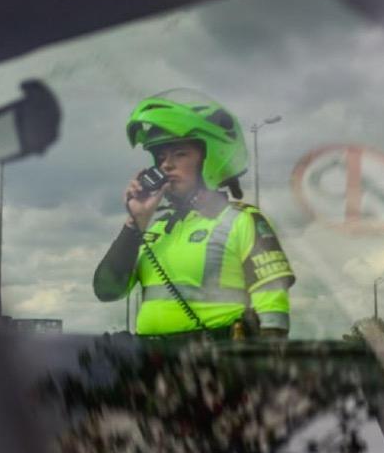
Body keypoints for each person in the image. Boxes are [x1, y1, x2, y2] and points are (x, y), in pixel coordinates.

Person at [94, 89, 295, 339]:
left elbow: (273, 307)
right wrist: (135, 222)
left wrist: (261, 364)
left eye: (180, 154)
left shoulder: (241, 221)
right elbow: (107, 291)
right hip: (152, 364)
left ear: (212, 159)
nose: (166, 164)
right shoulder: (156, 229)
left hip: (215, 364)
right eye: (161, 157)